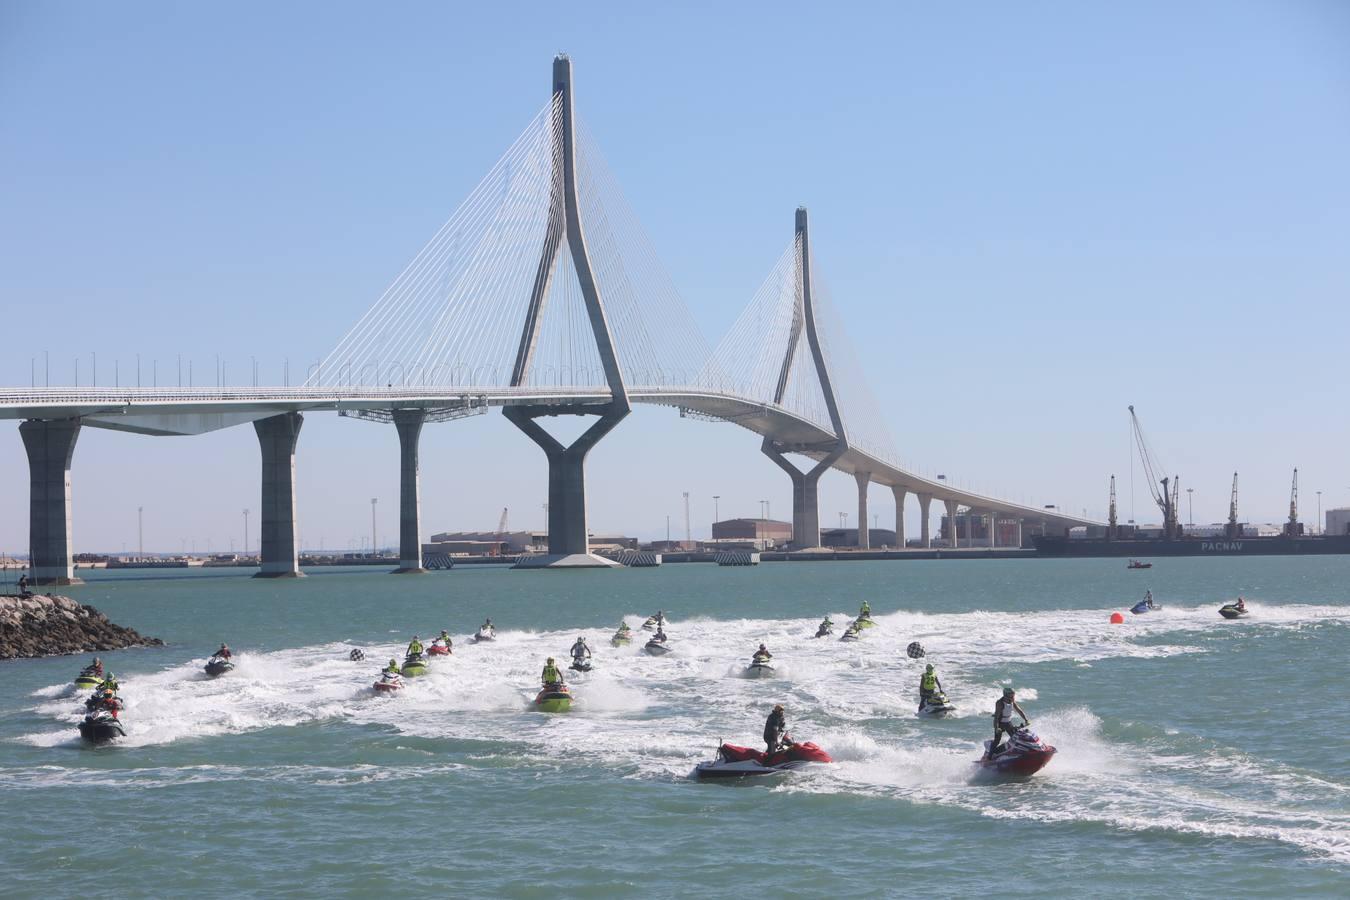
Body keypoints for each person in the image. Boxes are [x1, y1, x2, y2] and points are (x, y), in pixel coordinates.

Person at [988, 687, 1030, 757]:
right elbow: (996, 717)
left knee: (1015, 738)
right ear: (1006, 695)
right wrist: (996, 728)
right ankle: (989, 757)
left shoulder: (1012, 701)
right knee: (997, 741)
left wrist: (1026, 719)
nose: (1012, 697)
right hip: (1000, 724)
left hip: (1008, 723)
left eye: (1013, 695)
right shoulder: (1000, 703)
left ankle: (1017, 752)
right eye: (1011, 695)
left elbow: (1019, 711)